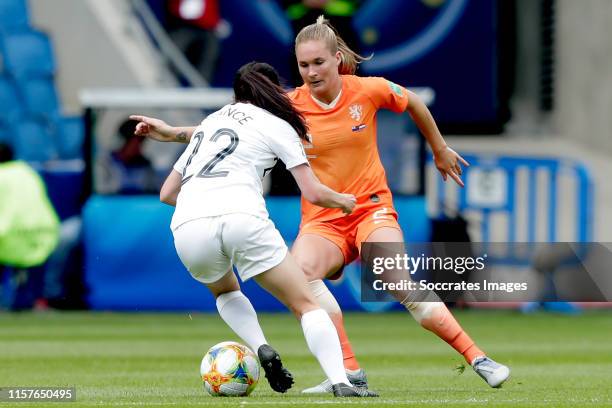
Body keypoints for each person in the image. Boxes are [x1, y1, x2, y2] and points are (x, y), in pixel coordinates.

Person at [131, 17, 511, 392]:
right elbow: (228, 132)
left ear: (337, 59)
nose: (311, 72)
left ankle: (478, 358)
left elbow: (413, 102)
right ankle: (348, 375)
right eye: (303, 65)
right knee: (303, 276)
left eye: (318, 63)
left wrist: (439, 148)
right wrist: (172, 133)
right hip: (323, 221)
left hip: (370, 208)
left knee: (395, 280)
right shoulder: (288, 107)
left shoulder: (368, 90)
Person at [131, 61, 377, 397]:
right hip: (242, 215)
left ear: (237, 94)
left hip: (188, 223)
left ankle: (261, 345)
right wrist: (344, 201)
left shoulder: (211, 121)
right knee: (306, 304)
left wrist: (201, 201)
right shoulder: (279, 125)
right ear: (275, 91)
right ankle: (340, 381)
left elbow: (167, 193)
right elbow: (313, 192)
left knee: (226, 292)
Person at [0, 143, 60, 310]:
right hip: (42, 230)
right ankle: (39, 301)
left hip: (9, 233)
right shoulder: (27, 172)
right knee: (36, 265)